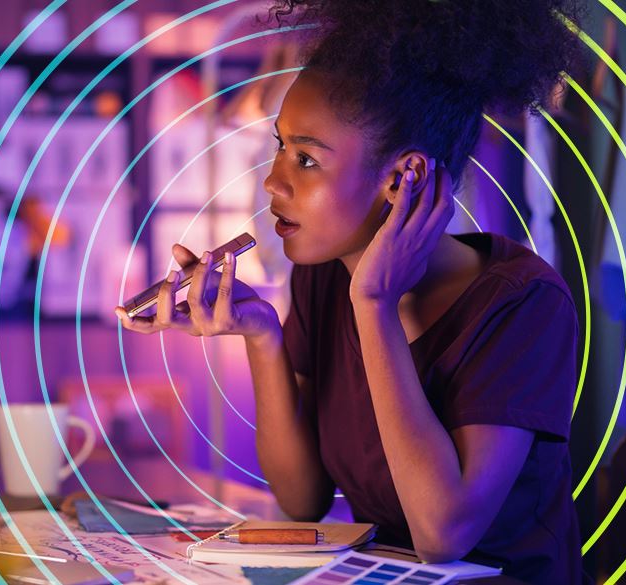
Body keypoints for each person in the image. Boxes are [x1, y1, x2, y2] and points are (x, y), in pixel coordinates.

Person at [115, 0, 588, 583]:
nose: (273, 179)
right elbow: (301, 497)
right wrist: (262, 336)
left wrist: (375, 305)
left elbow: (443, 534)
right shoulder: (319, 277)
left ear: (404, 178)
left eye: (307, 158)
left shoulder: (523, 304)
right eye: (280, 146)